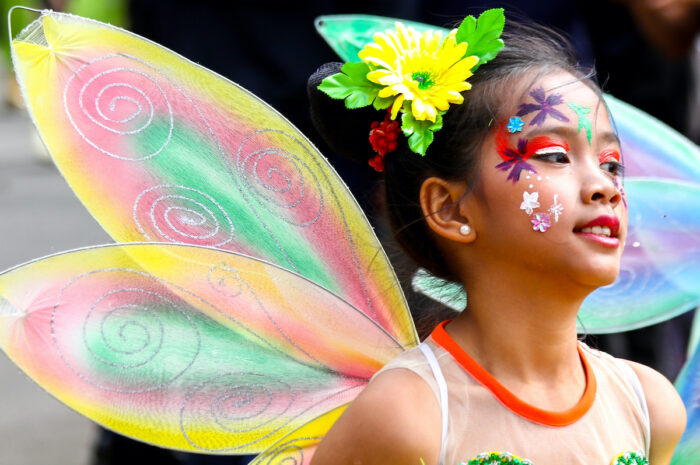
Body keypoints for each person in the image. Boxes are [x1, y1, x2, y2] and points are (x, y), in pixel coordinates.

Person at [306, 15, 687, 465]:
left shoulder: (650, 406)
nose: (604, 186)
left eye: (611, 164)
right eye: (554, 155)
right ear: (450, 209)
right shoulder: (410, 416)